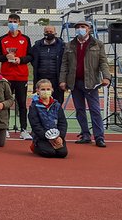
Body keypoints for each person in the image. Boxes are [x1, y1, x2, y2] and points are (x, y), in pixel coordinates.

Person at [59, 20, 111, 148]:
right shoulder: (70, 45)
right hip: (75, 82)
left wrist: (106, 77)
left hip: (91, 83)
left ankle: (99, 137)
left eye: (83, 27)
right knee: (80, 110)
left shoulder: (97, 44)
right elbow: (64, 64)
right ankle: (85, 134)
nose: (80, 29)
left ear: (89, 29)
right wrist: (62, 80)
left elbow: (103, 62)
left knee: (95, 110)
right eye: (78, 27)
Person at [0, 13, 33, 140]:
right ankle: (4, 128)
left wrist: (20, 60)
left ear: (19, 23)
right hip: (6, 76)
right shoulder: (2, 39)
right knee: (5, 102)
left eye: (15, 21)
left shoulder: (26, 39)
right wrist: (6, 57)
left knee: (22, 103)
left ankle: (23, 129)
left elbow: (30, 56)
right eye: (10, 21)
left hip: (21, 76)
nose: (12, 23)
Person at [28, 79, 68, 158]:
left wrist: (60, 137)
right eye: (43, 89)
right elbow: (35, 125)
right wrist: (48, 137)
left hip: (57, 136)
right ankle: (35, 146)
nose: (46, 91)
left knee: (62, 153)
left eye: (48, 89)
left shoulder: (57, 105)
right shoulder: (34, 106)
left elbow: (62, 122)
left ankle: (54, 144)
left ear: (52, 90)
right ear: (37, 91)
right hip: (42, 137)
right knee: (49, 153)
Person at [31, 25, 65, 105]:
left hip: (56, 79)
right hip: (41, 78)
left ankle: (56, 117)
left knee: (57, 102)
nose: (49, 33)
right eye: (47, 32)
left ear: (55, 33)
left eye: (51, 32)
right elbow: (32, 58)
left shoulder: (62, 46)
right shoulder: (37, 45)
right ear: (43, 33)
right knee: (41, 102)